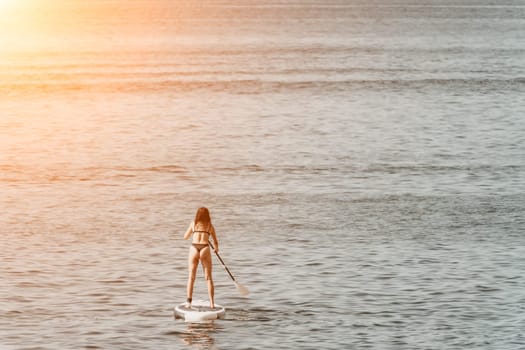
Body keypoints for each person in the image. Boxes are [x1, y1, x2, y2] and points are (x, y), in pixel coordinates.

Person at [183, 207, 219, 309]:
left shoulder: (193, 224)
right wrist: (216, 248)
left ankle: (188, 302)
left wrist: (193, 233)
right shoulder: (210, 226)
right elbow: (216, 242)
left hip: (194, 248)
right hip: (205, 249)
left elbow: (185, 237)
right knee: (208, 278)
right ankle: (212, 304)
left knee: (191, 277)